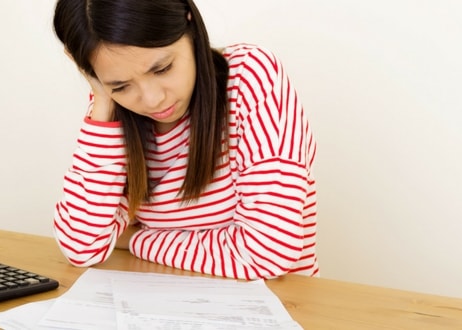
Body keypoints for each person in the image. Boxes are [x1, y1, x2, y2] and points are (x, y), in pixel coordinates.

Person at [52, 0, 318, 280]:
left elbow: (268, 253)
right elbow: (81, 247)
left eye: (162, 68)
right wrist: (104, 102)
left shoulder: (250, 77)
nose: (153, 99)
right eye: (121, 85)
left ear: (189, 22)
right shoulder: (114, 113)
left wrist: (136, 239)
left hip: (277, 307)